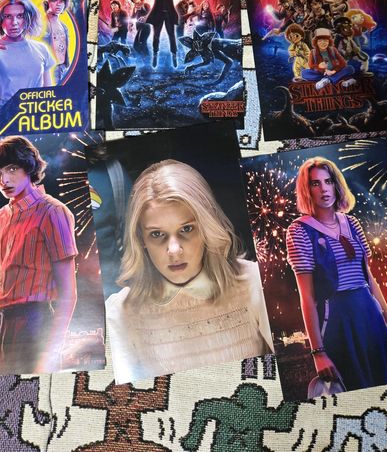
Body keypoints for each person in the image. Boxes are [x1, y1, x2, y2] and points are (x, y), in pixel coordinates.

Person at [105, 159, 273, 384]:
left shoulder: (256, 282)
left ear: (206, 227)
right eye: (157, 234)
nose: (174, 250)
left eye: (186, 229)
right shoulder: (119, 313)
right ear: (141, 239)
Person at [286, 157, 387, 394]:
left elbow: (370, 280)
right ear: (306, 190)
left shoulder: (353, 223)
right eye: (315, 183)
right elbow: (307, 298)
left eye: (328, 181)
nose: (324, 189)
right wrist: (318, 353)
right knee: (356, 389)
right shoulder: (299, 231)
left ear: (337, 184)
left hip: (370, 315)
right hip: (336, 321)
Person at [0, 135, 78, 376]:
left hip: (34, 325)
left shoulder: (54, 212)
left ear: (28, 167)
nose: (4, 180)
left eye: (12, 169)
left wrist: (50, 355)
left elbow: (68, 294)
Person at [145, 0, 181, 68]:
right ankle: (155, 54)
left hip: (169, 15)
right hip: (158, 14)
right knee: (156, 35)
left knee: (171, 35)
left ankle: (174, 55)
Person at [42, 0, 70, 84]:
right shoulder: (41, 23)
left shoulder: (64, 26)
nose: (58, 4)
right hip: (48, 71)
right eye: (54, 0)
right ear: (47, 3)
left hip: (63, 68)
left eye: (61, 1)